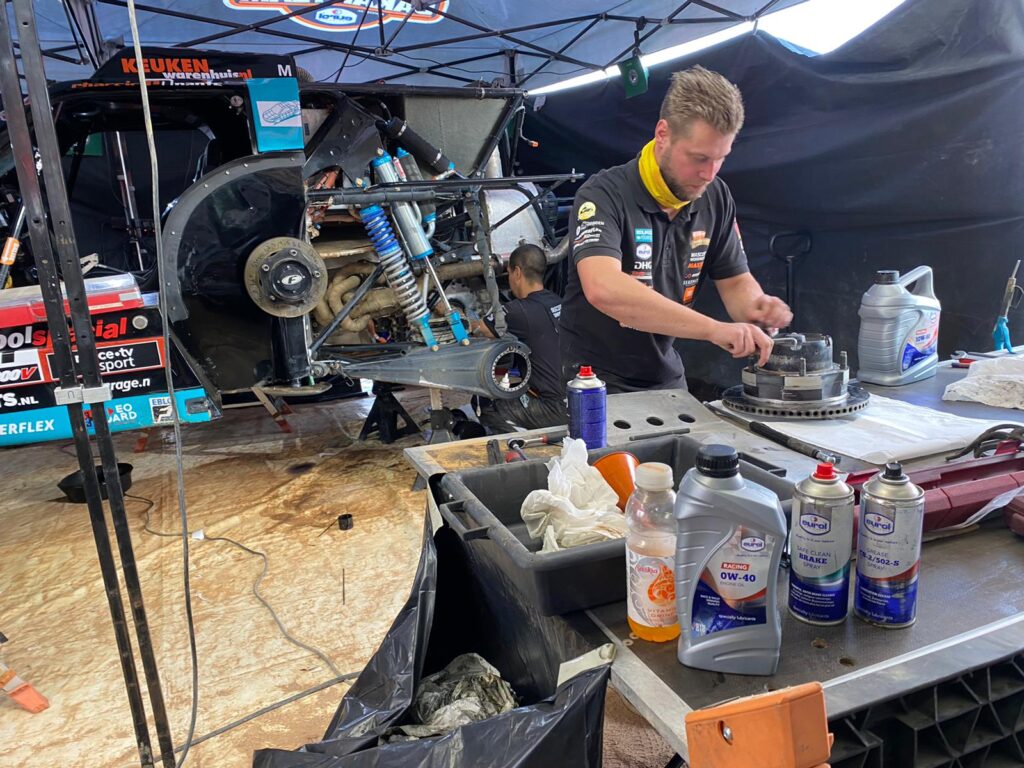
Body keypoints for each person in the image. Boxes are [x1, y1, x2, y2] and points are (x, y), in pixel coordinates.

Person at [560, 65, 793, 393]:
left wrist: (756, 305)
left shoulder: (715, 197)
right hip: (593, 378)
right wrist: (713, 329)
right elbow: (603, 288)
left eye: (721, 158)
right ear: (663, 134)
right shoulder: (603, 195)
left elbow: (735, 280)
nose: (709, 173)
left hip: (663, 371)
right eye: (699, 158)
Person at [471, 243, 566, 431]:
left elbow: (481, 329)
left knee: (484, 402)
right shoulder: (557, 300)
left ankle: (517, 441)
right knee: (505, 377)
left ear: (517, 272)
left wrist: (455, 313)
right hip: (576, 398)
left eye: (508, 273)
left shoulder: (518, 310)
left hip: (552, 408)